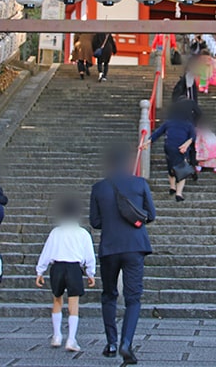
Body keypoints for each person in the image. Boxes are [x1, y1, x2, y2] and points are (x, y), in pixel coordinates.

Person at [90, 147, 156, 365]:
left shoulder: (98, 188)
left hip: (109, 248)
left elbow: (95, 222)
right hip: (135, 246)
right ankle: (126, 342)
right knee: (133, 297)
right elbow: (151, 215)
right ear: (128, 164)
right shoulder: (140, 184)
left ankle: (110, 342)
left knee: (108, 294)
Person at [35, 197, 97, 353]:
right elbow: (89, 255)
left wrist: (40, 271)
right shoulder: (83, 233)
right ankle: (71, 338)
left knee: (57, 299)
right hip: (74, 267)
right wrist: (91, 273)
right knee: (73, 303)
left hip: (57, 267)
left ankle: (56, 335)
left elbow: (47, 251)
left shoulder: (56, 232)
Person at [149, 111, 197, 202]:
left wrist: (148, 141)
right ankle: (179, 193)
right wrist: (187, 144)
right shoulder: (188, 124)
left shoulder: (168, 123)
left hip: (169, 147)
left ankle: (172, 187)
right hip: (181, 148)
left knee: (171, 166)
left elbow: (157, 133)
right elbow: (193, 136)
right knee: (182, 169)